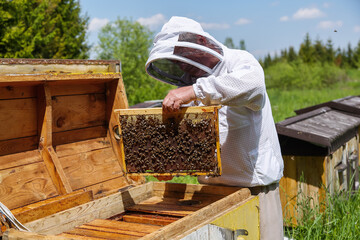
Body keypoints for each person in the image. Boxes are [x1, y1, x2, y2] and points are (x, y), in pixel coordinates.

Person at [145, 16, 284, 239]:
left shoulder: (238, 61)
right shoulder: (190, 81)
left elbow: (254, 85)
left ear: (200, 41)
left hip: (255, 190)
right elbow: (190, 137)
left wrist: (194, 91)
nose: (182, 64)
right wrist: (170, 163)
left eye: (184, 56)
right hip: (210, 194)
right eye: (177, 60)